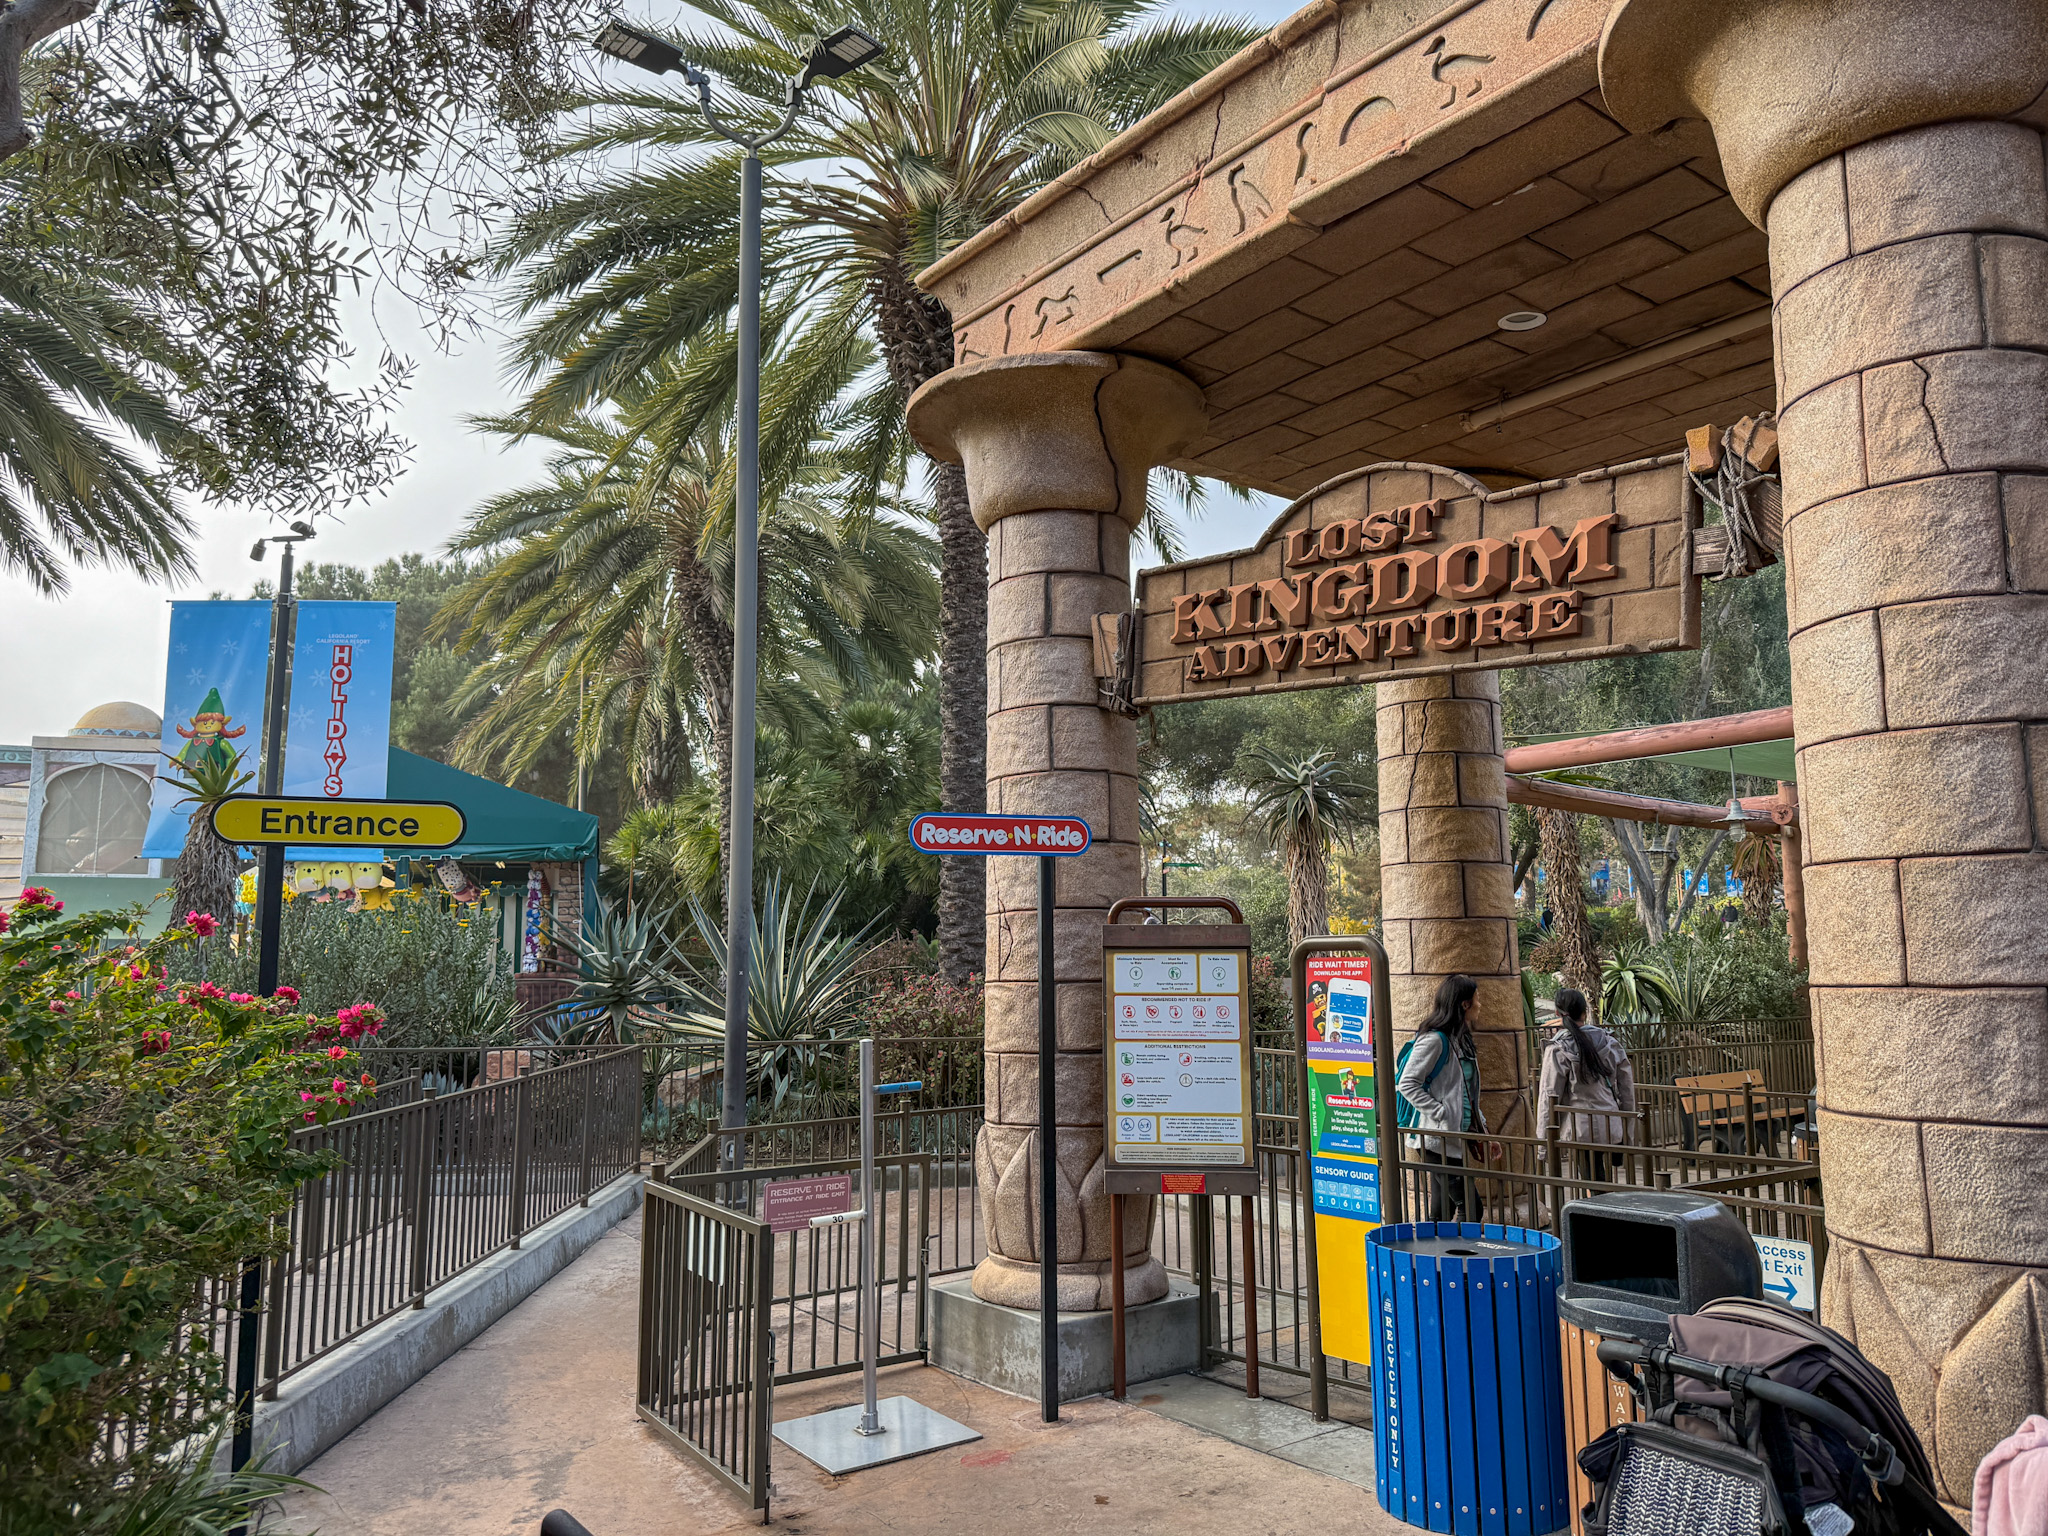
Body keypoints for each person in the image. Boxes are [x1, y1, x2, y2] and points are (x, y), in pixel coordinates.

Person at [1397, 973, 1488, 1222]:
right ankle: (1457, 1259)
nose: (1480, 1004)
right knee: (1470, 1209)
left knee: (1441, 1212)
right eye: (1477, 999)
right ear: (1464, 1004)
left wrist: (1483, 1132)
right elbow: (1406, 1082)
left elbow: (1466, 1093)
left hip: (1450, 1137)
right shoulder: (1434, 1040)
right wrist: (1440, 1112)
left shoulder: (1460, 1040)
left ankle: (1430, 1257)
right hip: (1436, 1138)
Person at [1534, 988, 1638, 1181]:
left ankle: (1598, 1210)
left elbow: (1548, 1096)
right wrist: (1628, 1133)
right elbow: (1627, 1090)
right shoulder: (1610, 1042)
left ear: (1557, 1013)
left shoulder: (1558, 1049)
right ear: (1585, 1013)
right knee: (1603, 1179)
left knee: (1592, 1178)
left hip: (1580, 1127)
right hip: (1611, 1123)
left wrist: (1543, 1145)